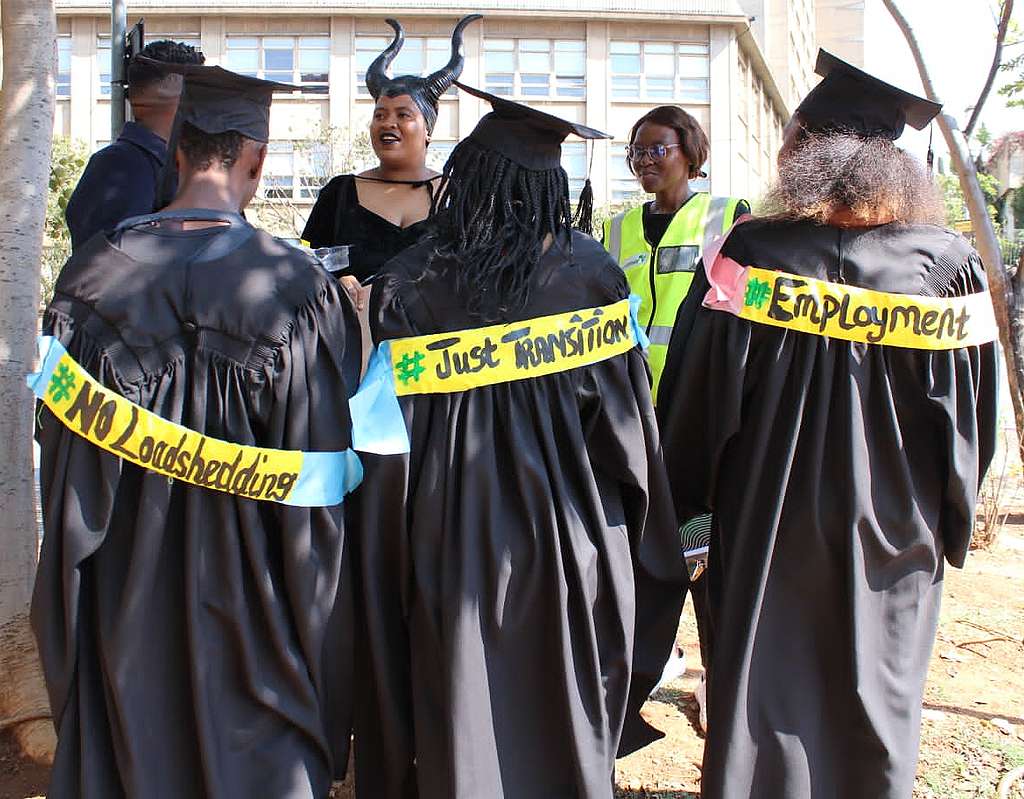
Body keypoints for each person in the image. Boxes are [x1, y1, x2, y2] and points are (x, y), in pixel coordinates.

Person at [657, 50, 999, 799]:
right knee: (878, 688)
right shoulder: (946, 264)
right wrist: (950, 512)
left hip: (765, 518)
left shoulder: (753, 252)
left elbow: (697, 395)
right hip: (893, 522)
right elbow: (969, 414)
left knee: (759, 685)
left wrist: (689, 503)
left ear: (804, 152)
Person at [30, 62, 363, 798]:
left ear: (176, 151)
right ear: (257, 160)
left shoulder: (87, 283)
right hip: (259, 623)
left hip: (125, 610)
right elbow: (321, 493)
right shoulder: (297, 287)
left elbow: (59, 471)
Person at [348, 83, 686, 798]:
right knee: (563, 705)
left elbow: (382, 443)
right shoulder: (591, 275)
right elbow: (627, 438)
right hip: (570, 541)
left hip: (447, 538)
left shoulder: (408, 283)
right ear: (550, 189)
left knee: (458, 702)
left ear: (467, 177)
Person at [301, 15, 480, 288]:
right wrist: (335, 282)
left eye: (403, 114)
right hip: (353, 329)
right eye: (380, 115)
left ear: (428, 129)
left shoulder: (459, 198)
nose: (388, 123)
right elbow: (305, 266)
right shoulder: (338, 196)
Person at [603, 105, 748, 400]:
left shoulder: (727, 216)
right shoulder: (616, 229)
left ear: (689, 153)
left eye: (657, 150)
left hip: (697, 390)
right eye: (636, 151)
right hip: (629, 393)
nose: (643, 161)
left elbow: (750, 301)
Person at [65, 39, 205, 251]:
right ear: (174, 92)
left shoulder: (173, 163)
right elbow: (110, 261)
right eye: (201, 91)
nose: (207, 104)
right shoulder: (120, 165)